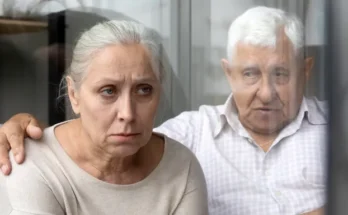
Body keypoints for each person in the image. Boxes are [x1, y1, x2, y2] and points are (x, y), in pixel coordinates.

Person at [0, 6, 326, 215]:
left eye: (281, 74)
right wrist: (24, 129)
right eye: (251, 74)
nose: (266, 92)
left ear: (306, 71)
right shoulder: (192, 136)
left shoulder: (339, 130)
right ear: (229, 74)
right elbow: (107, 145)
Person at [0, 20, 208, 215]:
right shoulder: (34, 165)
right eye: (108, 91)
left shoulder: (180, 166)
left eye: (144, 90)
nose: (127, 114)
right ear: (74, 95)